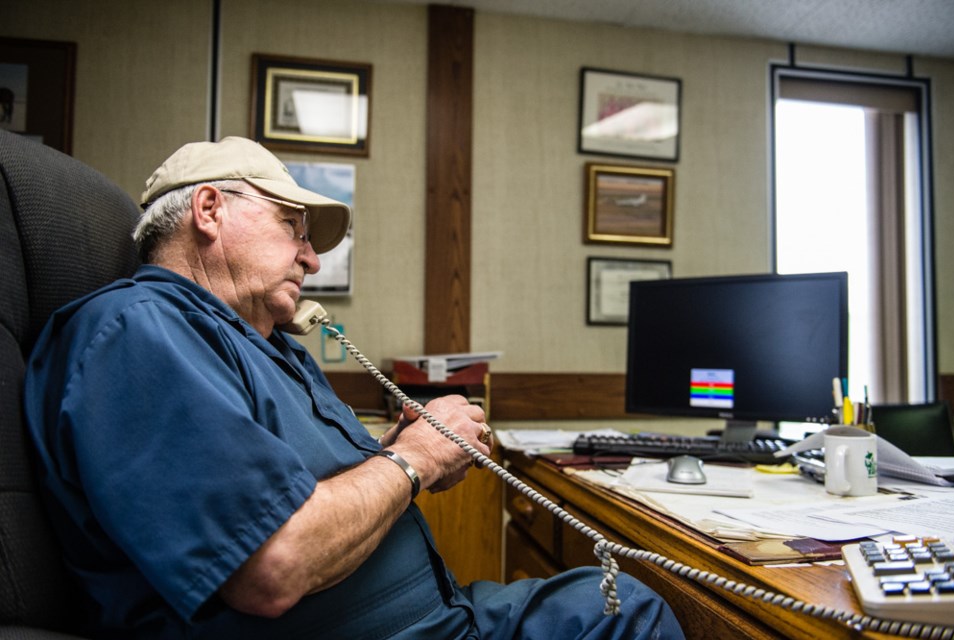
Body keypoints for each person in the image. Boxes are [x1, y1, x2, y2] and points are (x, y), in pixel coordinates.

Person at [24, 136, 683, 639]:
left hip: (433, 616)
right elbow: (272, 566)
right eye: (294, 229)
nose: (312, 259)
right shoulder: (138, 332)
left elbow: (314, 493)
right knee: (631, 616)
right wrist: (412, 461)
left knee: (619, 603)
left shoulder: (263, 345)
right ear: (208, 210)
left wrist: (406, 448)